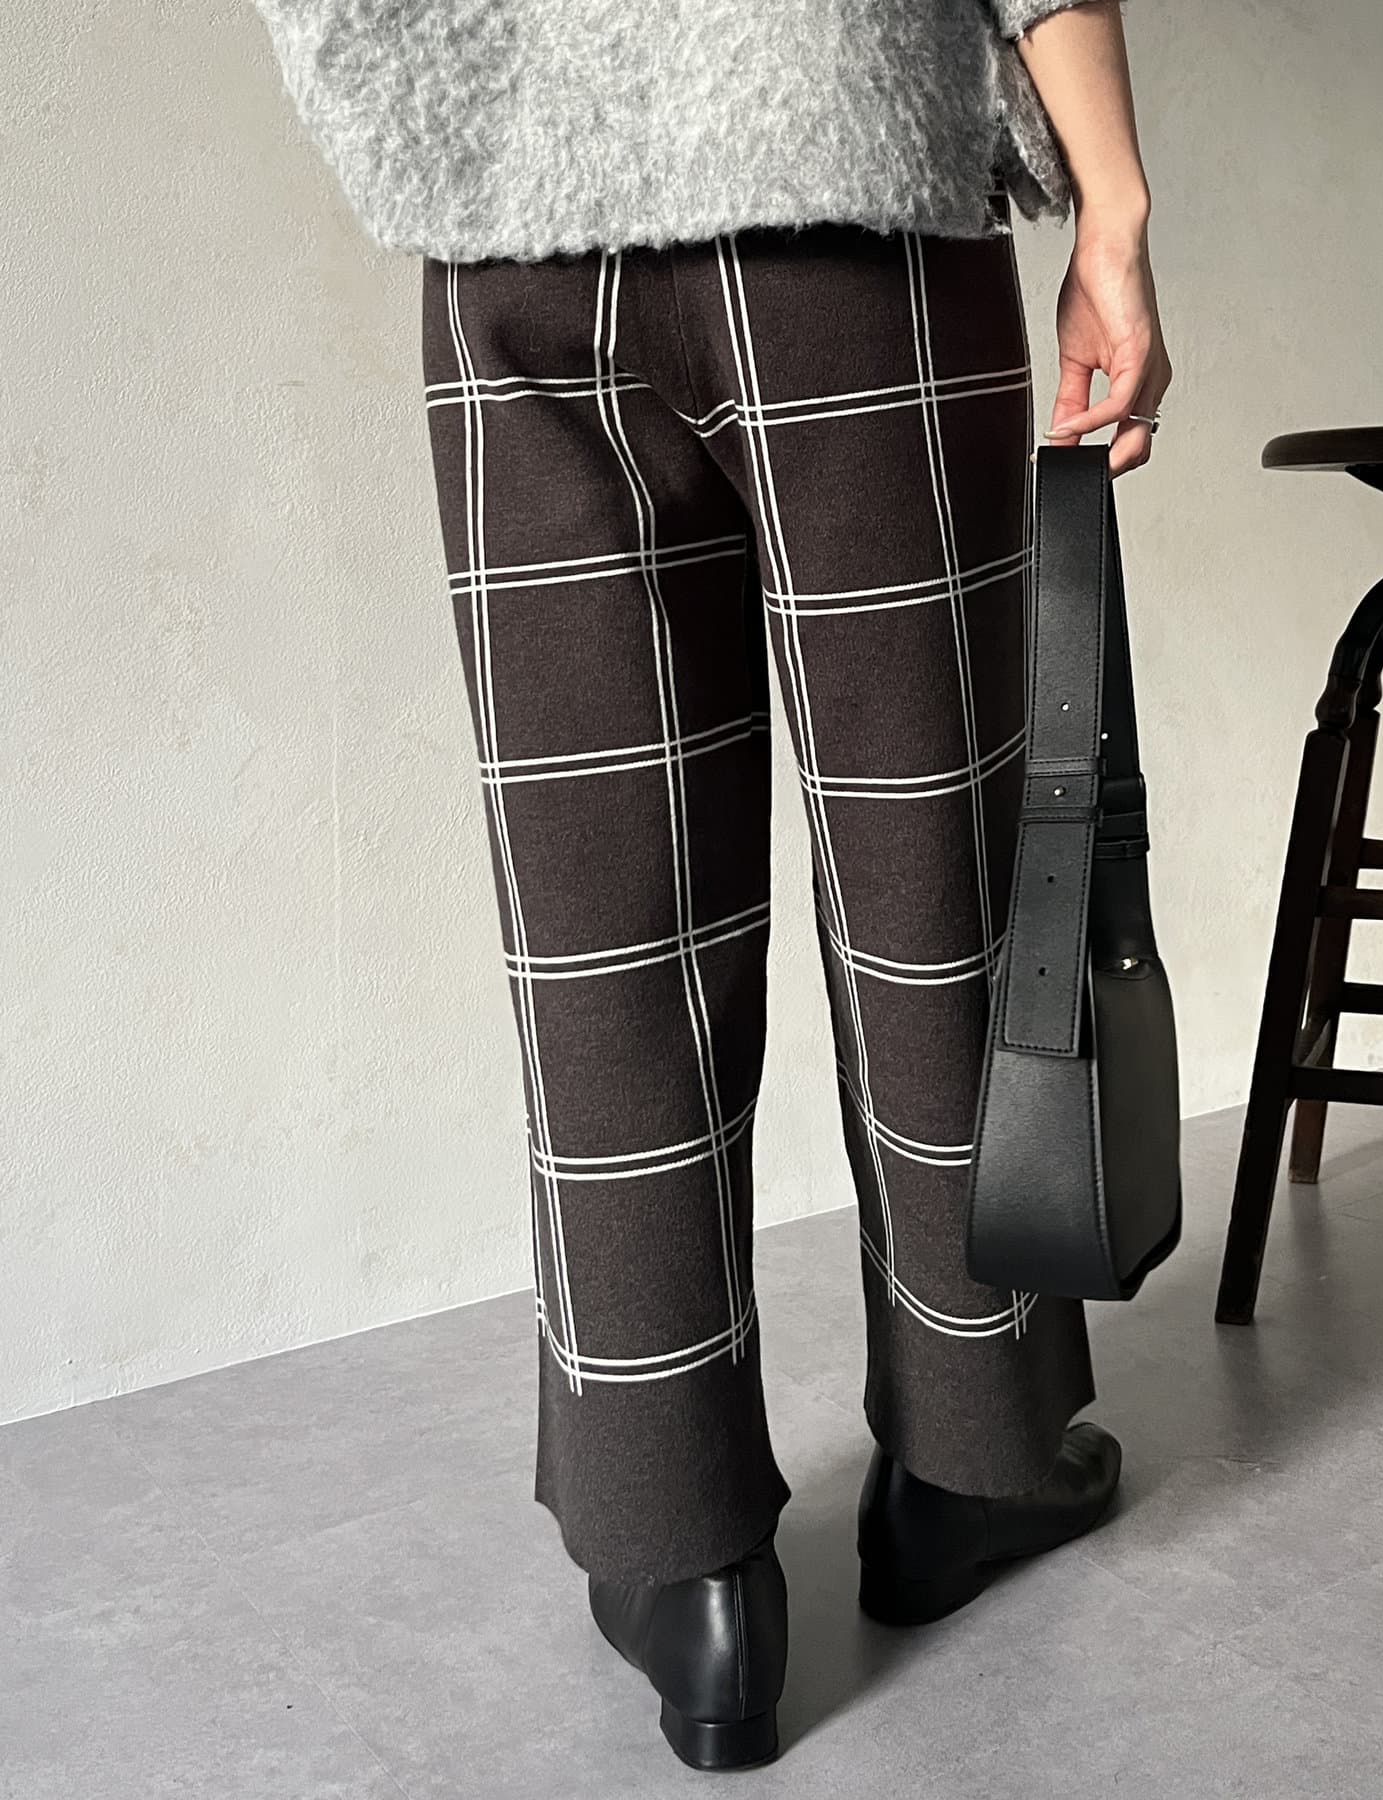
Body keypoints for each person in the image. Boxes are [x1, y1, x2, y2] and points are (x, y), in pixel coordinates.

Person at [251, 0, 1171, 1772]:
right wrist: (1113, 207)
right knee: (931, 879)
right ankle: (972, 1458)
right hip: (842, 190)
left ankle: (683, 1563)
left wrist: (432, 121)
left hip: (513, 247)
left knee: (602, 929)